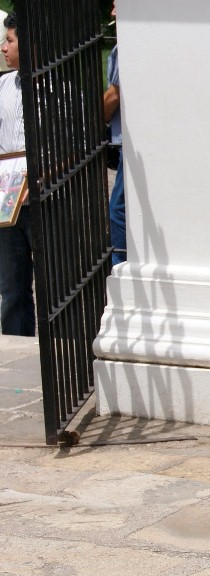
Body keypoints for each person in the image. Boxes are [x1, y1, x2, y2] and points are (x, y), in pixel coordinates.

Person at [0, 11, 32, 337]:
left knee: (56, 284)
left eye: (10, 40)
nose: (3, 48)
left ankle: (60, 347)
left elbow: (75, 145)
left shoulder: (59, 88)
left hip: (43, 197)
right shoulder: (3, 86)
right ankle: (16, 343)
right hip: (7, 203)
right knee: (12, 287)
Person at [103, 0, 126, 265]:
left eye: (116, 6)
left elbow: (114, 95)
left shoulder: (125, 48)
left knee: (118, 210)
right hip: (126, 140)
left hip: (127, 142)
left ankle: (120, 266)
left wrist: (94, 121)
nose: (112, 13)